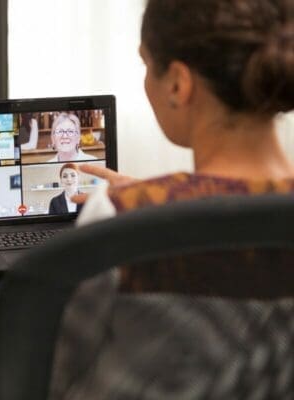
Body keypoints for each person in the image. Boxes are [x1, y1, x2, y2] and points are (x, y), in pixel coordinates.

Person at [48, 1, 294, 399]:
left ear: (178, 83)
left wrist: (148, 205)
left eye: (147, 66)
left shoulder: (118, 220)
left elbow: (56, 374)